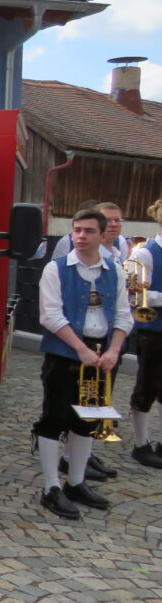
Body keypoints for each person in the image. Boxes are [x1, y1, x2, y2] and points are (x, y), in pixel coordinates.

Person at [34, 208, 131, 520]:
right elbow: (49, 315)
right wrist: (80, 349)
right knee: (54, 417)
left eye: (88, 231)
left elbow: (123, 315)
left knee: (88, 419)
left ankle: (76, 482)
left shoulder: (114, 270)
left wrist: (114, 350)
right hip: (65, 354)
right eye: (76, 230)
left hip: (102, 355)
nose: (80, 236)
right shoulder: (56, 268)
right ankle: (51, 487)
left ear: (103, 236)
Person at [125, 197, 162, 469]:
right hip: (153, 330)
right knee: (146, 386)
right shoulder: (144, 253)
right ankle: (140, 444)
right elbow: (136, 297)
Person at [51, 201, 130, 263]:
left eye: (117, 220)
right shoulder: (68, 241)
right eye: (107, 220)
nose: (114, 225)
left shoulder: (121, 242)